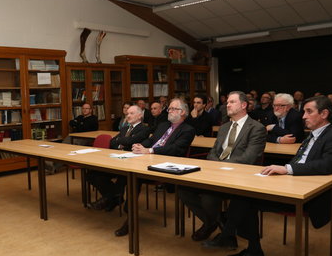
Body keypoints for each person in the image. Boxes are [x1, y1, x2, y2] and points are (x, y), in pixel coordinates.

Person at [204, 96, 332, 256]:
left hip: (314, 196)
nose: (303, 116)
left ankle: (230, 233)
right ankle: (238, 237)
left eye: (309, 111)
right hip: (293, 184)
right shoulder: (313, 135)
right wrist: (284, 172)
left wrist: (287, 169)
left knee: (244, 200)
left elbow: (328, 165)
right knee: (245, 195)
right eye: (304, 111)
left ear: (324, 114)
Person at [178, 91, 266, 242]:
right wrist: (216, 166)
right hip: (216, 173)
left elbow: (248, 158)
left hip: (239, 176)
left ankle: (214, 226)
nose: (227, 104)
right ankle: (216, 223)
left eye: (232, 102)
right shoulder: (224, 127)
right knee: (183, 189)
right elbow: (213, 152)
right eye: (228, 102)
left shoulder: (256, 128)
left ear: (244, 105)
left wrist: (220, 166)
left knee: (208, 198)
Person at [114, 98, 196, 236]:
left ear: (182, 112)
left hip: (167, 164)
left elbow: (176, 149)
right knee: (128, 172)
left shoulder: (188, 129)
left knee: (135, 177)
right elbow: (151, 140)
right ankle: (120, 203)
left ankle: (125, 213)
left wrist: (150, 150)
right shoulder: (163, 125)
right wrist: (141, 146)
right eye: (169, 108)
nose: (169, 111)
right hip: (148, 159)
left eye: (172, 109)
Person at [87, 105, 150, 212]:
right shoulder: (125, 128)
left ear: (140, 116)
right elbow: (112, 142)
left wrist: (122, 140)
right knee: (92, 174)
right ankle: (114, 197)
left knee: (122, 178)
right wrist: (125, 140)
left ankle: (110, 198)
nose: (128, 116)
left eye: (131, 113)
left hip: (131, 163)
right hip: (116, 159)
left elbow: (130, 142)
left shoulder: (144, 129)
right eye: (127, 113)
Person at [46, 102, 98, 174]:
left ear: (90, 110)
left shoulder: (93, 118)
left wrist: (77, 124)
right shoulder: (80, 117)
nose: (85, 110)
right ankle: (51, 166)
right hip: (73, 136)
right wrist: (78, 124)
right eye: (83, 108)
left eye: (87, 108)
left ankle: (53, 167)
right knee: (61, 147)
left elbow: (84, 128)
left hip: (85, 138)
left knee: (67, 150)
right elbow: (71, 122)